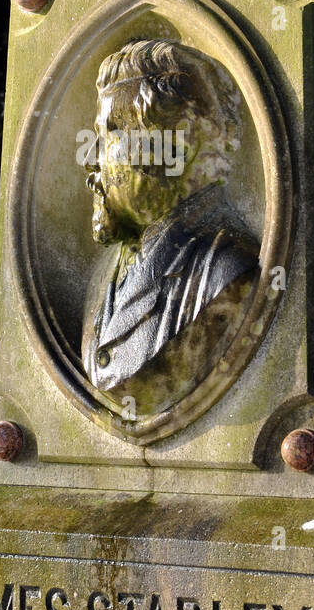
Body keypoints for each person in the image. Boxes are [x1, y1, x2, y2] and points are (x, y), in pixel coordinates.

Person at [82, 39, 258, 417]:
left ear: (177, 144)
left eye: (110, 133)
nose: (90, 161)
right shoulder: (104, 280)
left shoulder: (223, 271)